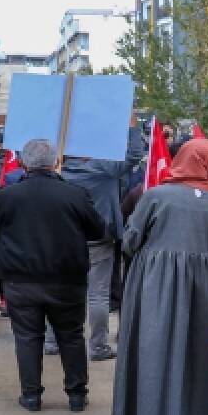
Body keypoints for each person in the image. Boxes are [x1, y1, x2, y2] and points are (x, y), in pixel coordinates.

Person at [112, 138, 208, 415]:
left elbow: (130, 239)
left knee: (151, 348)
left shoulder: (157, 195)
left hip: (152, 277)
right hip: (197, 283)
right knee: (191, 351)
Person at [0, 139, 104, 412]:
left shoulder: (7, 196)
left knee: (27, 337)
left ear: (25, 163)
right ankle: (76, 394)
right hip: (66, 278)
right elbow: (97, 231)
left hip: (20, 278)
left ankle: (31, 395)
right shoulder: (75, 194)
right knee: (71, 335)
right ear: (54, 162)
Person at [61, 151, 137, 362]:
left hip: (66, 238)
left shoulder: (59, 172)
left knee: (62, 292)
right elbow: (133, 156)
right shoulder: (105, 170)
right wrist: (131, 126)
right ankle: (97, 346)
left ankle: (52, 341)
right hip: (100, 238)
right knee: (98, 295)